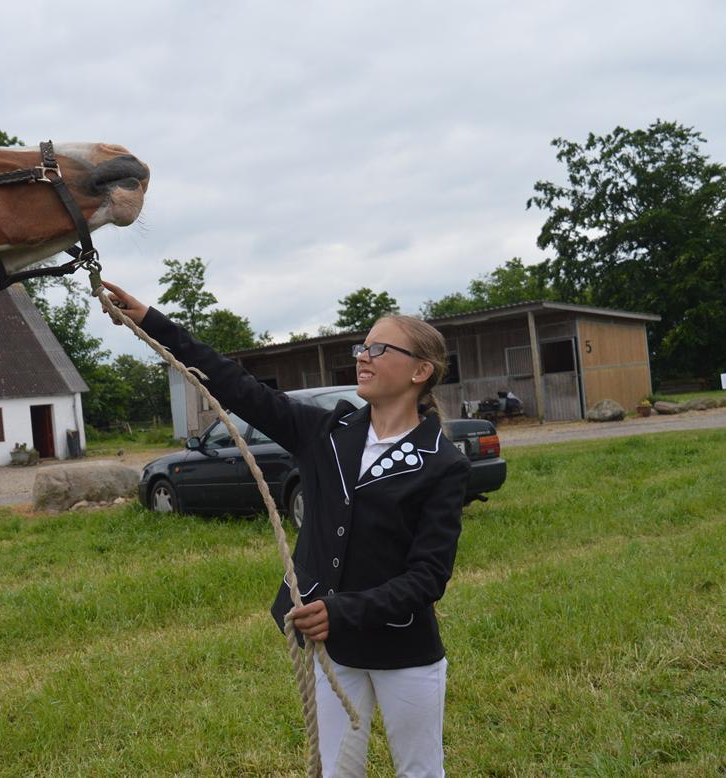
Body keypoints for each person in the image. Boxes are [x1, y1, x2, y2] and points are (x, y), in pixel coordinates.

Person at [100, 281, 470, 778]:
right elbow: (236, 385)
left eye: (380, 349)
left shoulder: (442, 464)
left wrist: (342, 610)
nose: (364, 355)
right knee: (337, 771)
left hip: (404, 650)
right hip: (330, 648)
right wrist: (151, 321)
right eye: (363, 346)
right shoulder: (325, 432)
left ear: (421, 371)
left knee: (420, 772)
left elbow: (428, 576)